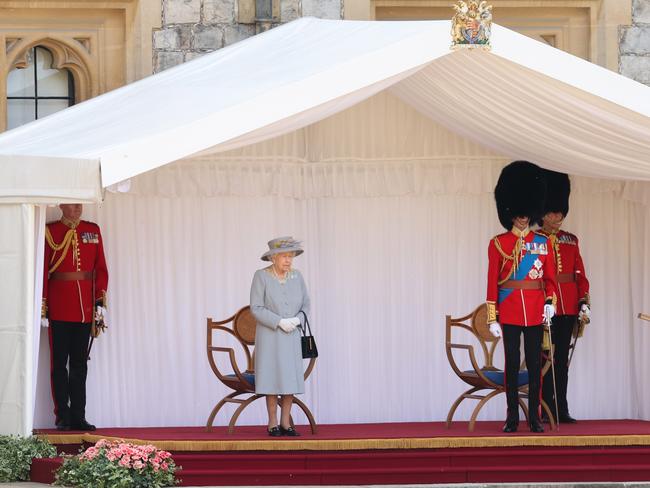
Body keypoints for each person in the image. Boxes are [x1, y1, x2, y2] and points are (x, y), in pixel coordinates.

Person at [485, 161, 557, 433]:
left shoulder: (543, 243)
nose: (522, 217)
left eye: (526, 212)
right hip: (511, 310)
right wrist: (493, 316)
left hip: (536, 310)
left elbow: (549, 279)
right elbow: (492, 282)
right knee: (512, 364)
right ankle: (512, 416)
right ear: (509, 212)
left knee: (535, 364)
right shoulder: (497, 244)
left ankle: (535, 418)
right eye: (518, 213)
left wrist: (550, 304)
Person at [42, 204, 108, 431]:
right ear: (61, 206)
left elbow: (100, 269)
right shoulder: (50, 232)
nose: (77, 208)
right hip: (59, 308)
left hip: (85, 311)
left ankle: (79, 415)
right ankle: (63, 416)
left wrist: (100, 302)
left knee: (80, 365)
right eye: (72, 204)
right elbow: (43, 272)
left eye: (79, 204)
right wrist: (44, 306)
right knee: (59, 365)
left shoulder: (93, 230)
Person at [538, 170, 590, 424]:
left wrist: (583, 302)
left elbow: (580, 275)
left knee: (562, 361)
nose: (557, 217)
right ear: (542, 213)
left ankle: (561, 408)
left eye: (559, 212)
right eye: (551, 212)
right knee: (544, 360)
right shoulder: (533, 241)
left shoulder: (571, 240)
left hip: (568, 307)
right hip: (543, 309)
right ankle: (545, 409)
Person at [250, 236, 310, 437]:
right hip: (270, 335)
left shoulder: (297, 276)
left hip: (292, 335)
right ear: (273, 258)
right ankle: (272, 422)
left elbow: (306, 305)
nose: (288, 260)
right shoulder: (261, 276)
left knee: (289, 378)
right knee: (272, 377)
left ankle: (286, 422)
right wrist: (278, 321)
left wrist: (297, 320)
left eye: (291, 256)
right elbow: (256, 308)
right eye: (284, 256)